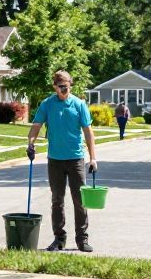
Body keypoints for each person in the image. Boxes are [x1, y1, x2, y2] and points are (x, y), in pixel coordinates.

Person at [27, 70, 98, 252]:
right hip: (55, 160)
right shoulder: (47, 104)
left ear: (70, 85)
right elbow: (36, 126)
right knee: (57, 199)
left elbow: (88, 132)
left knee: (79, 199)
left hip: (75, 159)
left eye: (66, 86)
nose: (64, 89)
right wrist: (30, 143)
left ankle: (82, 239)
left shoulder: (79, 104)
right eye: (60, 86)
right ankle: (59, 239)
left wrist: (93, 158)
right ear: (55, 87)